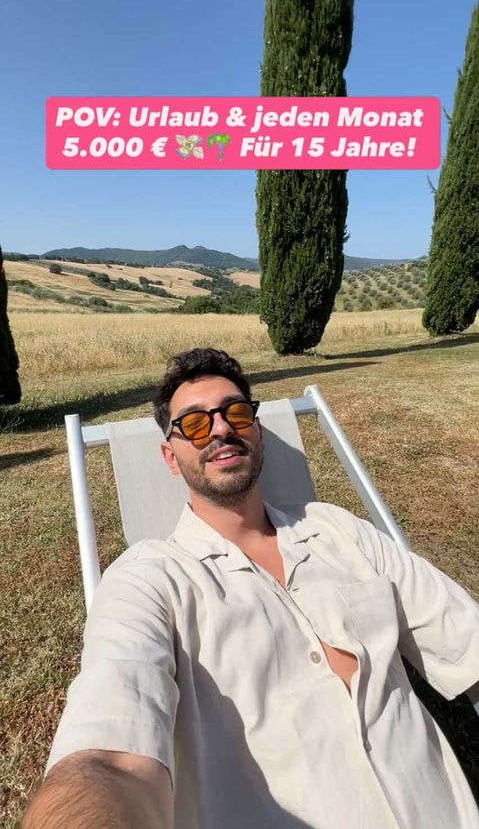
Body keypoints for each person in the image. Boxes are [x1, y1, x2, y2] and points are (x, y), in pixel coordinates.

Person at [24, 347, 479, 829]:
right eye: (194, 423)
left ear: (257, 431)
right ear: (170, 457)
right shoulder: (150, 581)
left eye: (236, 412)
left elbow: (465, 636)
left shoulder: (338, 530)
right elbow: (111, 761)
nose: (221, 428)